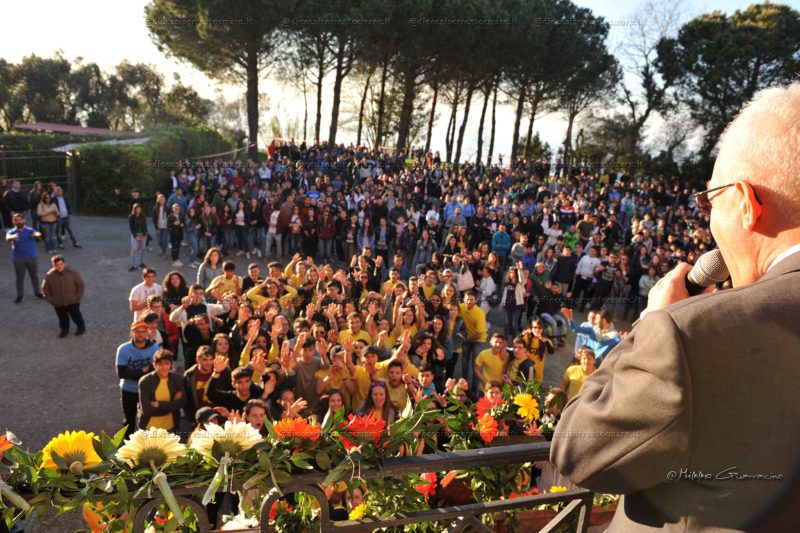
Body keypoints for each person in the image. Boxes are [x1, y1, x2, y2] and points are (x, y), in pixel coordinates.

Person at [551, 83, 800, 531]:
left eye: (710, 199)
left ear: (746, 204)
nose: (706, 217)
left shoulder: (690, 336)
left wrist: (652, 323)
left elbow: (578, 449)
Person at [116, 321, 159, 438]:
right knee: (129, 418)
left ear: (147, 333)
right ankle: (128, 441)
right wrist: (142, 371)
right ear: (131, 333)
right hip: (128, 390)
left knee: (148, 416)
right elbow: (122, 373)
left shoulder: (154, 347)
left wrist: (134, 373)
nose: (140, 334)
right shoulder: (123, 349)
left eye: (143, 331)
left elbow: (156, 370)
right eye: (137, 332)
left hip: (147, 389)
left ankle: (147, 441)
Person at [137, 349, 185, 430]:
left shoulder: (177, 379)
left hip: (171, 427)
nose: (164, 367)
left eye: (167, 363)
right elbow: (146, 410)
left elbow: (182, 403)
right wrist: (172, 406)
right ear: (154, 365)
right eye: (160, 364)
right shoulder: (145, 381)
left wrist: (159, 404)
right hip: (149, 428)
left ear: (171, 365)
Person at [41, 255, 86, 337]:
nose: (59, 266)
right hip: (58, 302)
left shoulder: (72, 273)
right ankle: (64, 329)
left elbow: (80, 285)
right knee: (62, 318)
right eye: (57, 265)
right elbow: (45, 288)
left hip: (73, 301)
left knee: (76, 315)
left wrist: (78, 296)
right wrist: (50, 299)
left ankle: (81, 327)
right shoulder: (50, 276)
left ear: (64, 263)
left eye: (61, 264)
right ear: (53, 265)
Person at [6, 212, 44, 304]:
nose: (19, 221)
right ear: (13, 222)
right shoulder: (12, 231)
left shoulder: (30, 230)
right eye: (16, 220)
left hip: (32, 257)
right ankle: (20, 295)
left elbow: (37, 233)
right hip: (18, 259)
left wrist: (37, 235)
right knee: (20, 278)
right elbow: (7, 237)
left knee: (34, 276)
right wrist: (13, 236)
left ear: (24, 220)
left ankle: (37, 292)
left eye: (20, 220)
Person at [128, 203, 148, 271]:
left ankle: (140, 262)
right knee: (134, 249)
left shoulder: (143, 216)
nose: (139, 210)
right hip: (135, 234)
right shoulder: (131, 217)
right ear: (134, 209)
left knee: (142, 249)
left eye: (140, 209)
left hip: (143, 234)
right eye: (137, 209)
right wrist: (136, 236)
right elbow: (131, 228)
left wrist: (144, 235)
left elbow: (145, 226)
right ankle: (134, 265)